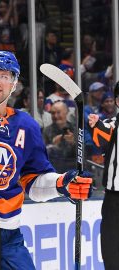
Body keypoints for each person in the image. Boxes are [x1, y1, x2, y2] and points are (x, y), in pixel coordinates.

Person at [0, 50, 93, 269]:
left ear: (14, 83)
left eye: (4, 76)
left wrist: (63, 183)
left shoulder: (27, 125)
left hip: (10, 233)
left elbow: (32, 182)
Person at [88, 81, 119, 270]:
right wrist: (94, 123)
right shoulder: (112, 125)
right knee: (112, 253)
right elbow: (101, 134)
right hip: (114, 200)